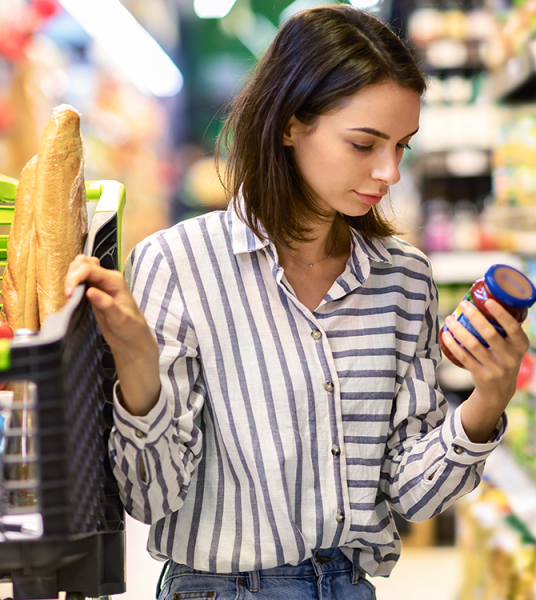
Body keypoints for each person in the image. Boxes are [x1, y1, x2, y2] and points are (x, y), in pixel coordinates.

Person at [65, 5, 529, 599]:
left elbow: (415, 496)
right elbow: (150, 496)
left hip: (349, 586)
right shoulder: (178, 265)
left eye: (402, 147)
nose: (388, 171)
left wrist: (487, 400)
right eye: (364, 144)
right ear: (289, 123)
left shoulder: (404, 278)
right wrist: (136, 369)